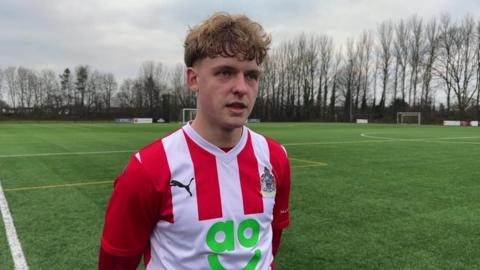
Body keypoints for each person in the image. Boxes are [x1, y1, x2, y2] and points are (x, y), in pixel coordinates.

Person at [99, 11, 291, 270]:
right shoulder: (148, 168)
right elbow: (116, 263)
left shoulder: (275, 157)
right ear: (193, 79)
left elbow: (271, 243)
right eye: (225, 72)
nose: (241, 88)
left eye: (251, 75)